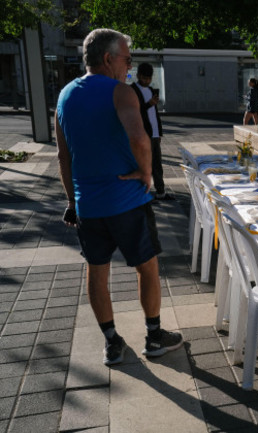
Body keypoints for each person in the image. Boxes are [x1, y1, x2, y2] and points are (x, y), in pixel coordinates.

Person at [55, 29, 183, 366]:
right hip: (126, 202)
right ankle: (154, 337)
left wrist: (72, 202)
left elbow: (63, 157)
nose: (129, 64)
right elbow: (140, 138)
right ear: (109, 58)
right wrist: (145, 173)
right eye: (127, 58)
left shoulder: (65, 96)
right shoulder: (120, 92)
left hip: (88, 207)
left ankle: (112, 342)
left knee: (97, 272)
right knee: (147, 268)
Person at [130, 62, 173, 201]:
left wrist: (159, 132)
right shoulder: (132, 91)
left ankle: (161, 192)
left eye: (149, 78)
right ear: (138, 76)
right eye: (144, 78)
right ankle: (141, 194)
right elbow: (134, 111)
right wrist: (149, 104)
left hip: (154, 135)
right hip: (142, 135)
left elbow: (155, 114)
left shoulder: (150, 90)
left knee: (157, 165)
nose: (147, 81)